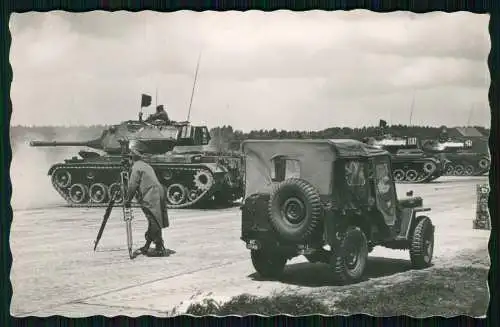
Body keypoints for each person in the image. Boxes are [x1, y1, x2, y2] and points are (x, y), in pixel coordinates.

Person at [124, 146, 170, 257]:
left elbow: (132, 185)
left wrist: (127, 199)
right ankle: (149, 246)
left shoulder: (136, 167)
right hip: (159, 192)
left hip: (151, 195)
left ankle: (159, 247)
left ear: (132, 159)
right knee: (155, 220)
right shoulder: (145, 165)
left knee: (153, 221)